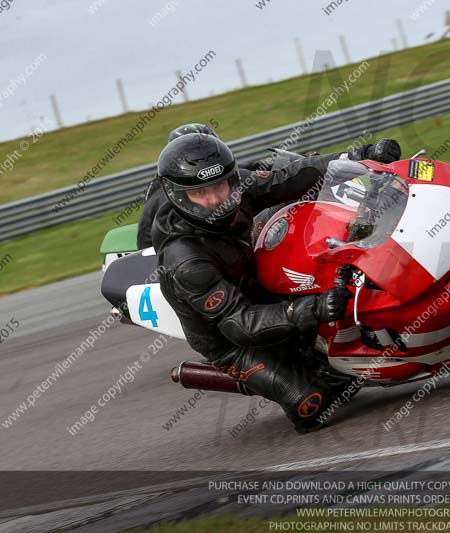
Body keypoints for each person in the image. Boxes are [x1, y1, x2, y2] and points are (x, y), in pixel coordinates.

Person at [151, 133, 401, 433]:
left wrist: (359, 155)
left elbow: (292, 176)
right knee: (313, 403)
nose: (216, 200)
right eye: (201, 193)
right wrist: (314, 309)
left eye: (220, 186)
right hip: (231, 338)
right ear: (179, 195)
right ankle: (240, 374)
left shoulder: (236, 187)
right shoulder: (186, 260)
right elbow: (239, 324)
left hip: (259, 285)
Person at [137, 123, 303, 248]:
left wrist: (289, 163)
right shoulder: (167, 194)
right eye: (195, 152)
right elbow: (145, 241)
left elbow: (246, 168)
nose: (203, 157)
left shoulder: (215, 175)